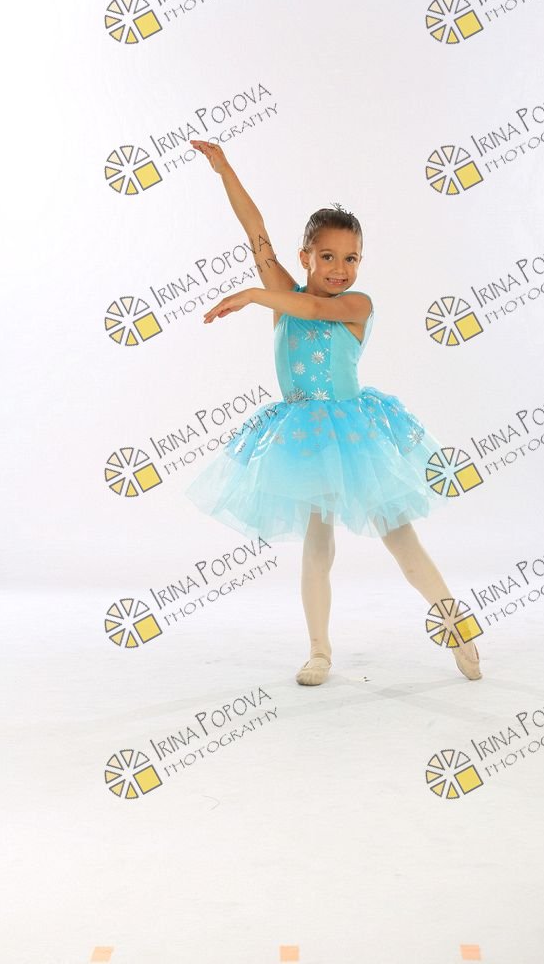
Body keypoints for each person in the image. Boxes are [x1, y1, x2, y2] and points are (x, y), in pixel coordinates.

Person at [184, 140, 482, 687]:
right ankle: (319, 650)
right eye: (327, 257)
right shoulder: (285, 292)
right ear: (305, 257)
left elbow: (314, 308)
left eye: (351, 258)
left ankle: (455, 622)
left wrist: (254, 295)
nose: (340, 268)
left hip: (355, 435)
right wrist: (224, 169)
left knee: (401, 540)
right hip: (306, 439)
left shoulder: (356, 306)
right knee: (317, 547)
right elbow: (255, 232)